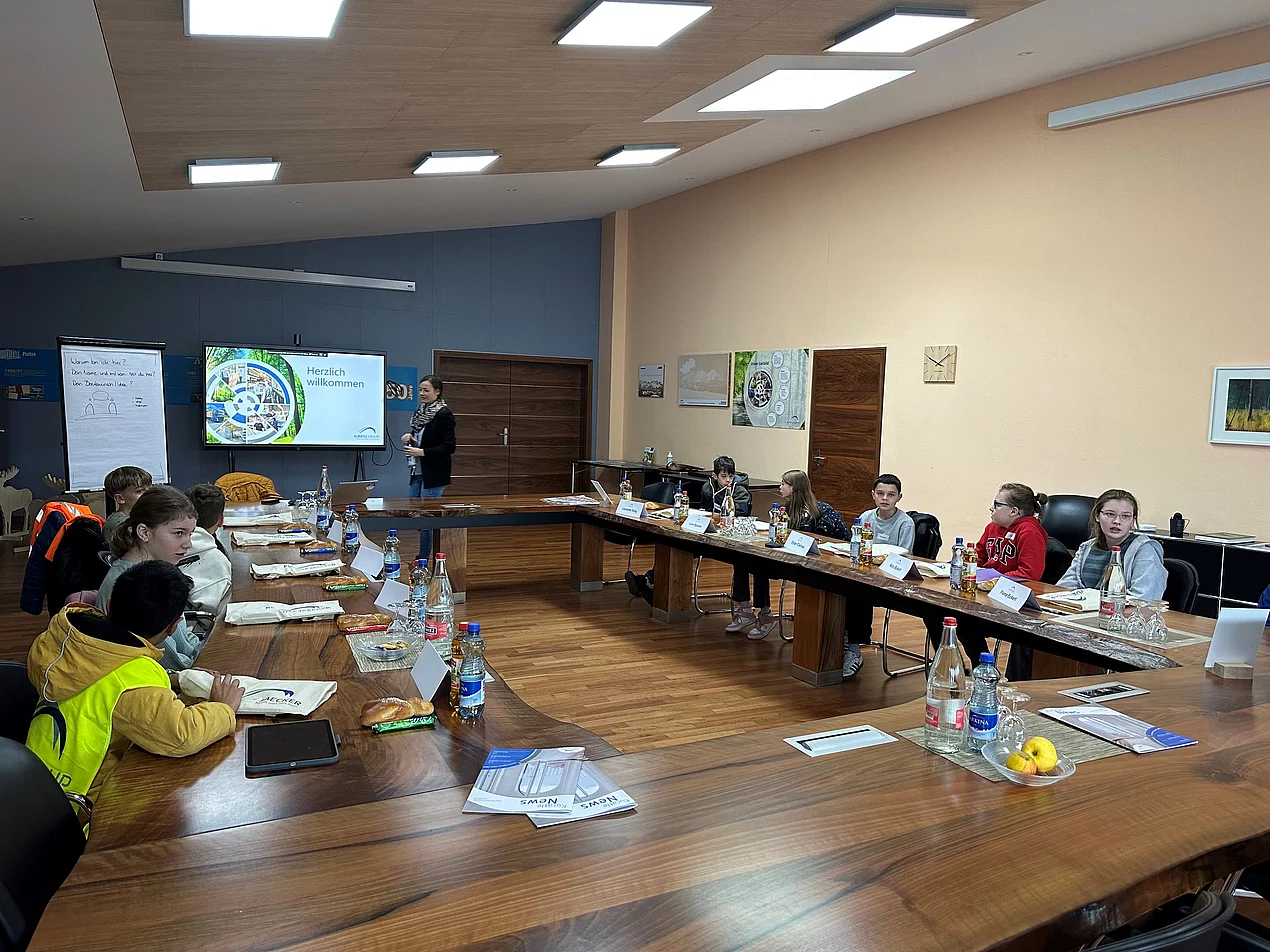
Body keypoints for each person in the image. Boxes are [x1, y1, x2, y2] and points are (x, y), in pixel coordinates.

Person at [25, 560, 243, 820]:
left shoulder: (69, 640)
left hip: (35, 787)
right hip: (77, 812)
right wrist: (223, 708)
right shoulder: (133, 678)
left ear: (108, 606)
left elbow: (103, 685)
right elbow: (182, 734)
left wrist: (175, 679)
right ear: (173, 627)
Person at [929, 482, 1049, 664]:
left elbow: (1029, 574)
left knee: (963, 619)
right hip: (983, 593)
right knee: (933, 611)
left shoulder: (1029, 531)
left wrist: (992, 579)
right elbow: (978, 558)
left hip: (1009, 599)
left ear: (1014, 511)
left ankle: (982, 667)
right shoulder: (992, 528)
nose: (991, 509)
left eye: (997, 504)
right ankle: (948, 664)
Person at [97, 485, 204, 670]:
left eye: (190, 534)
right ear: (144, 533)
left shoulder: (160, 574)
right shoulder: (136, 587)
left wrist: (206, 649)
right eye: (178, 533)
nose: (188, 544)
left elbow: (185, 640)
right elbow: (170, 662)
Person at [842, 475, 916, 678]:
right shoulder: (866, 517)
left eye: (891, 495)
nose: (885, 498)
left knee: (859, 595)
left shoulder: (905, 523)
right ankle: (841, 638)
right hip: (865, 574)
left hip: (890, 581)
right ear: (873, 495)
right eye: (880, 494)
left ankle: (854, 649)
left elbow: (904, 557)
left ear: (899, 497)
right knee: (841, 588)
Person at [1057, 489, 1166, 597]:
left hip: (1120, 609)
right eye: (1110, 514)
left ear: (1133, 521)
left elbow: (1143, 599)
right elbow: (1064, 590)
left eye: (1125, 516)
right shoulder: (1087, 547)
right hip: (1082, 607)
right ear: (1097, 516)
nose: (1117, 521)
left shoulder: (1145, 550)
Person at [401, 375, 457, 558]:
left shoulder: (444, 414)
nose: (422, 393)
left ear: (437, 391)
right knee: (414, 512)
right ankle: (429, 547)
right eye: (420, 390)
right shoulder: (420, 412)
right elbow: (422, 437)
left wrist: (422, 452)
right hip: (417, 471)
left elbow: (449, 446)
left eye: (426, 390)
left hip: (434, 473)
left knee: (426, 518)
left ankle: (423, 558)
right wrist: (409, 437)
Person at [183, 483, 233, 623]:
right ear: (221, 520)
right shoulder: (217, 560)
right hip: (197, 629)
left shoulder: (164, 545)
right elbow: (216, 617)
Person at [102, 465, 152, 548]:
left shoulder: (137, 518)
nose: (149, 493)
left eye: (149, 488)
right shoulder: (121, 525)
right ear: (120, 498)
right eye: (140, 491)